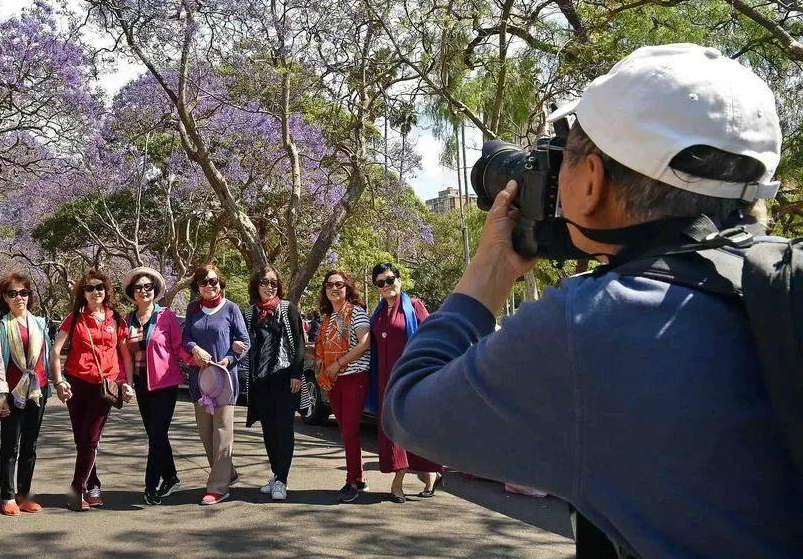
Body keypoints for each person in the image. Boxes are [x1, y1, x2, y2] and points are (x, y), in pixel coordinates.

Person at [384, 44, 803, 557]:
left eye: (563, 160)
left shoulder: (593, 322)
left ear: (591, 183)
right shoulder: (777, 281)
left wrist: (488, 273)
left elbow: (410, 411)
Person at [50, 270, 134, 511]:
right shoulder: (74, 319)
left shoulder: (116, 319)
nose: (96, 292)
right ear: (83, 294)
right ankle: (92, 485)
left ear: (106, 291)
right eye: (90, 288)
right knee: (82, 439)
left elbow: (124, 352)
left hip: (104, 386)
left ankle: (77, 488)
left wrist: (127, 382)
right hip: (76, 384)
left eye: (100, 287)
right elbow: (55, 351)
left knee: (90, 438)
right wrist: (59, 381)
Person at [367, 262, 444, 503]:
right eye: (381, 283)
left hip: (412, 380)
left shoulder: (415, 307)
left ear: (399, 280)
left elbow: (433, 337)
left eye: (390, 280)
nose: (387, 285)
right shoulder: (378, 314)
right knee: (393, 430)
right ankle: (409, 476)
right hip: (385, 383)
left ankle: (413, 478)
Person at [120, 266, 191, 506]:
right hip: (141, 384)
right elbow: (127, 356)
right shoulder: (127, 320)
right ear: (133, 292)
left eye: (148, 287)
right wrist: (128, 384)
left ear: (155, 290)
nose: (143, 291)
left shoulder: (166, 316)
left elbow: (178, 346)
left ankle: (150, 487)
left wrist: (195, 359)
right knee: (155, 435)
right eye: (138, 287)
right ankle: (170, 476)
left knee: (157, 435)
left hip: (164, 384)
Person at [182, 263, 250, 506]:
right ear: (197, 286)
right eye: (203, 282)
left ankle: (219, 487)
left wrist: (229, 358)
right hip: (200, 381)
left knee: (222, 433)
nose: (209, 286)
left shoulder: (231, 308)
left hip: (224, 380)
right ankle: (227, 472)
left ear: (220, 282)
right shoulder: (193, 309)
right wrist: (194, 348)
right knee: (205, 433)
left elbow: (244, 341)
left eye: (213, 281)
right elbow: (186, 337)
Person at [0, 272, 51, 516]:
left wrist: (57, 383)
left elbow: (45, 358)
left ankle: (24, 494)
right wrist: (0, 394)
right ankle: (8, 495)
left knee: (30, 444)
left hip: (37, 390)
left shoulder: (40, 323)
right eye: (12, 293)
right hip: (11, 392)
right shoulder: (0, 325)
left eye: (23, 293)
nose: (19, 298)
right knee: (10, 445)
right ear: (4, 297)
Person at [245, 267, 304, 501]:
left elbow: (299, 342)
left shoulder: (287, 308)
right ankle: (276, 474)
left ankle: (282, 479)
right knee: (268, 431)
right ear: (256, 285)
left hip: (285, 378)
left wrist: (297, 374)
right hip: (261, 381)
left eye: (274, 283)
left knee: (284, 430)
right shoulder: (250, 313)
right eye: (264, 282)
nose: (269, 287)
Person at [313, 269, 371, 503]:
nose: (334, 289)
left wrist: (338, 363)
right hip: (333, 380)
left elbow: (365, 343)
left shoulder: (356, 313)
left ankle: (352, 481)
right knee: (345, 430)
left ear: (348, 288)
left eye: (339, 284)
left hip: (354, 377)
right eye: (329, 285)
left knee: (349, 430)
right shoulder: (327, 319)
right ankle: (360, 478)